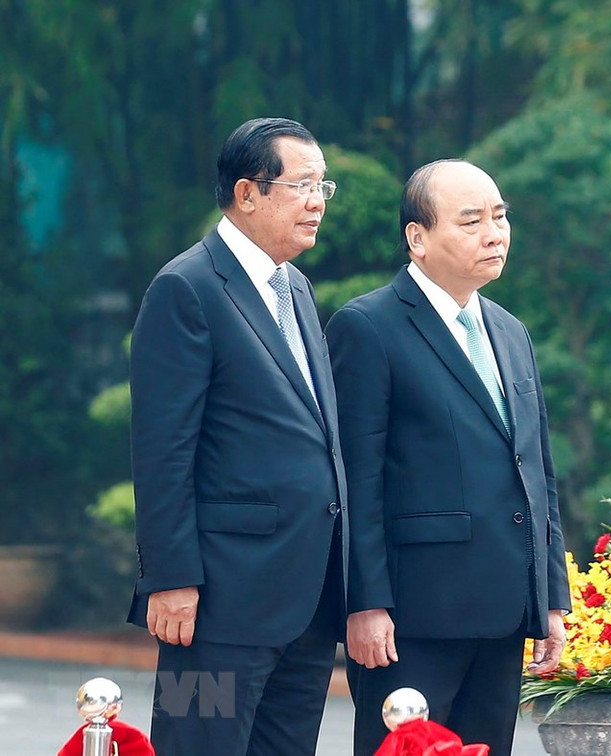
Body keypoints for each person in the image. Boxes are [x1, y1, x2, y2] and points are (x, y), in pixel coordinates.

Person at [326, 159, 571, 756]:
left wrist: (551, 598)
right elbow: (356, 480)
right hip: (413, 617)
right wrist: (364, 601)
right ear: (418, 238)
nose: (495, 233)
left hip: (505, 608)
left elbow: (536, 472)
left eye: (500, 217)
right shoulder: (368, 326)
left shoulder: (510, 332)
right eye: (471, 221)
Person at [127, 117, 348, 756]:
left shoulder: (296, 288)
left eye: (323, 187)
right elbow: (163, 450)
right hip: (217, 608)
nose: (317, 202)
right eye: (303, 185)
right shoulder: (186, 288)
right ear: (248, 194)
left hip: (303, 605)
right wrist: (169, 579)